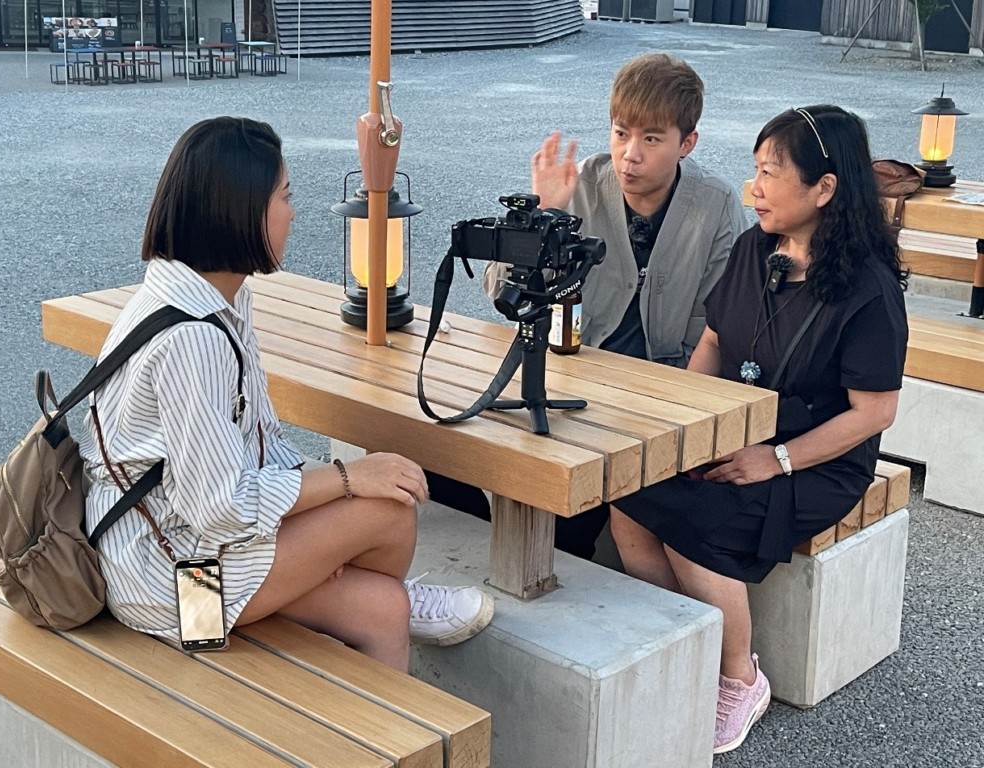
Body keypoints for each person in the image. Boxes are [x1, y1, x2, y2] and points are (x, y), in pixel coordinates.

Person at [80, 117, 494, 673]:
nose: (293, 213)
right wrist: (345, 480)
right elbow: (221, 507)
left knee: (384, 605)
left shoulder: (217, 299)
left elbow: (261, 440)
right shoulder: (193, 338)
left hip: (190, 547)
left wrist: (320, 540)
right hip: (172, 591)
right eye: (284, 197)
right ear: (239, 210)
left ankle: (367, 714)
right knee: (387, 509)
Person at [609, 105, 909, 753]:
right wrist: (687, 427)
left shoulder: (869, 290)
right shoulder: (755, 248)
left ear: (824, 188)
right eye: (755, 171)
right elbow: (714, 340)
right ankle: (679, 647)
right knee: (630, 498)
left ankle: (739, 678)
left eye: (770, 173)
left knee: (694, 521)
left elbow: (874, 413)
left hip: (817, 459)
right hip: (733, 430)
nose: (754, 189)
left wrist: (777, 459)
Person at [429, 53, 748, 560]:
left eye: (651, 139)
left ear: (687, 143)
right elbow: (499, 289)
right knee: (440, 446)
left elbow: (715, 328)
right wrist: (544, 214)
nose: (629, 155)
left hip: (656, 395)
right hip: (567, 376)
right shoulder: (579, 183)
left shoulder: (715, 204)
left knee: (568, 520)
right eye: (621, 134)